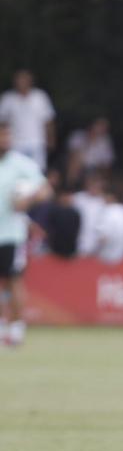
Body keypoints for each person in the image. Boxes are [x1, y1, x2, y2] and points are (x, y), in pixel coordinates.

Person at [0, 123, 53, 346]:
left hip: (12, 234)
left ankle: (17, 329)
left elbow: (45, 189)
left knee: (14, 280)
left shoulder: (20, 164)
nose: (5, 139)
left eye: (6, 135)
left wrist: (27, 200)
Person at [0, 70, 57, 172]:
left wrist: (50, 138)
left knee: (37, 171)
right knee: (15, 171)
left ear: (30, 81)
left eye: (24, 80)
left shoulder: (40, 97)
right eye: (19, 80)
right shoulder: (8, 98)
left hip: (37, 142)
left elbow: (48, 120)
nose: (21, 82)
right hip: (15, 144)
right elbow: (3, 123)